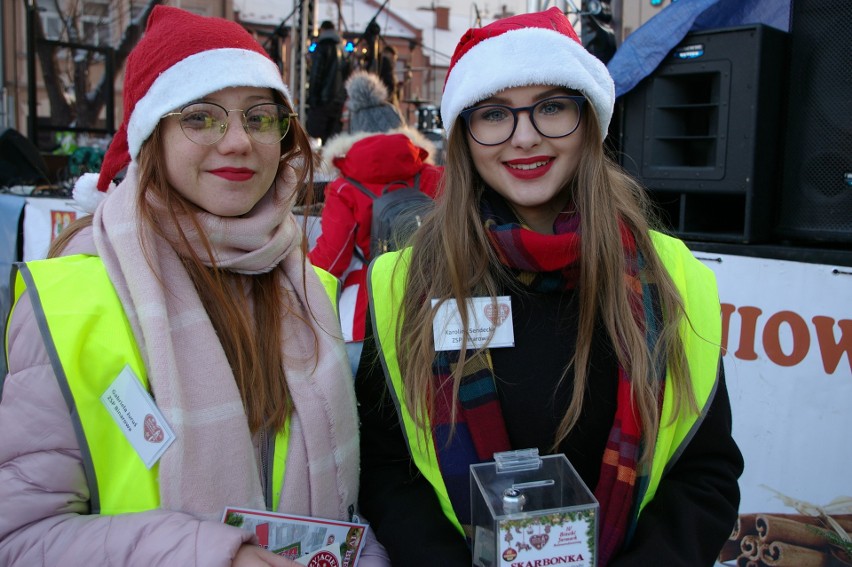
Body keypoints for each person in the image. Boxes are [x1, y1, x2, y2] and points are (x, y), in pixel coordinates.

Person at [356, 7, 743, 567]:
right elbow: (388, 469)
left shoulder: (668, 275)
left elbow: (705, 472)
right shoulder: (407, 283)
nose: (525, 137)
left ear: (589, 120)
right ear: (464, 133)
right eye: (494, 114)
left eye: (552, 107)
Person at [0, 6, 386, 566]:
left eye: (259, 117)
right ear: (152, 133)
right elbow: (20, 538)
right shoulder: (70, 300)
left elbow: (346, 512)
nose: (238, 142)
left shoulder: (312, 291)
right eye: (202, 117)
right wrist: (210, 557)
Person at [309, 130, 442, 374]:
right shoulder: (435, 177)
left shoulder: (344, 187)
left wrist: (299, 270)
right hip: (433, 307)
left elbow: (332, 260)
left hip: (364, 316)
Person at [306, 20, 347, 144]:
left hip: (322, 101)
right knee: (331, 140)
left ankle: (319, 163)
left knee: (315, 138)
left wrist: (312, 97)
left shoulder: (322, 47)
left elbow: (316, 75)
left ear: (322, 30)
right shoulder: (342, 49)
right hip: (338, 101)